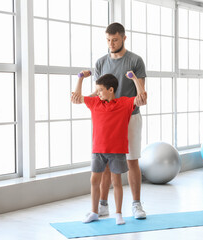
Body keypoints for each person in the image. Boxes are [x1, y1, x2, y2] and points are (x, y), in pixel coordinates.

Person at [71, 70, 146, 225]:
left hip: (117, 151)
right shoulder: (95, 103)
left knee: (116, 182)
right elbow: (76, 99)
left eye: (100, 90)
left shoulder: (124, 103)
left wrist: (134, 79)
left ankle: (118, 213)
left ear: (110, 90)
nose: (97, 93)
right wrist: (80, 78)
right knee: (94, 180)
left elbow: (142, 99)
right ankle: (94, 212)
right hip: (98, 150)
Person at [95, 22, 147, 219]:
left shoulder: (135, 61)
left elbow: (141, 93)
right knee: (107, 163)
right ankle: (103, 204)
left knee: (132, 160)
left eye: (115, 40)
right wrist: (82, 97)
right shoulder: (100, 63)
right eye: (108, 40)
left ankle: (136, 205)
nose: (111, 43)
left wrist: (140, 97)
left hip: (130, 117)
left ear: (124, 38)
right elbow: (99, 93)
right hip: (108, 121)